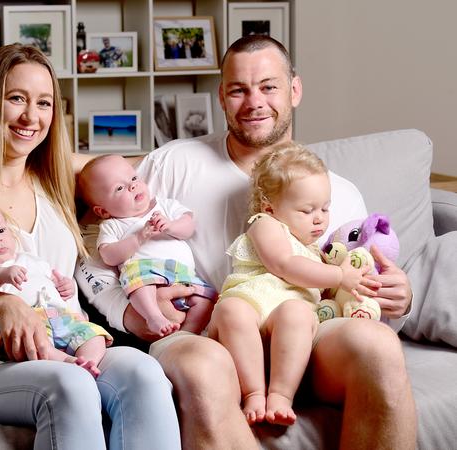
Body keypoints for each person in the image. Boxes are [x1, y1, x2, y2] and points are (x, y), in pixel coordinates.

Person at [76, 35, 416, 449]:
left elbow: (356, 287)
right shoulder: (172, 164)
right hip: (209, 333)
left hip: (308, 337)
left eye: (269, 86)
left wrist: (396, 300)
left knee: (379, 346)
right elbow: (91, 259)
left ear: (295, 90)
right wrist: (132, 315)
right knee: (201, 366)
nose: (254, 101)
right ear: (221, 96)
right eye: (239, 89)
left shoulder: (336, 191)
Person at [0, 43, 181, 450]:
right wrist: (7, 305)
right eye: (16, 99)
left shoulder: (56, 175)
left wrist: (222, 150)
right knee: (71, 384)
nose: (31, 117)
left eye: (44, 103)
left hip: (69, 344)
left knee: (145, 373)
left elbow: (144, 167)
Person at [208, 143, 378, 426]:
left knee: (297, 313)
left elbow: (326, 291)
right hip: (251, 302)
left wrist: (350, 286)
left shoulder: (318, 252)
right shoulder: (265, 225)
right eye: (307, 210)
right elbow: (284, 264)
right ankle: (253, 393)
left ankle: (281, 395)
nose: (319, 218)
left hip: (287, 317)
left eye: (325, 208)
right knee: (232, 311)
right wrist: (338, 276)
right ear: (270, 207)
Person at [0, 196, 113, 377]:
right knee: (36, 346)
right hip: (16, 327)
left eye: (0, 230)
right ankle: (68, 363)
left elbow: (53, 281)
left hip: (58, 317)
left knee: (94, 334)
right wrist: (3, 274)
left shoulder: (30, 260)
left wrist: (65, 287)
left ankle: (88, 362)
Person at [78, 154, 216, 337]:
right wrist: (138, 239)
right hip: (145, 271)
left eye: (134, 178)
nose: (132, 186)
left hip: (183, 273)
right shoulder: (113, 225)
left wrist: (171, 226)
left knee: (207, 299)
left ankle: (187, 333)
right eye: (120, 188)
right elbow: (108, 256)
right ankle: (153, 317)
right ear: (103, 211)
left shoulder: (164, 206)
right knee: (139, 283)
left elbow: (189, 226)